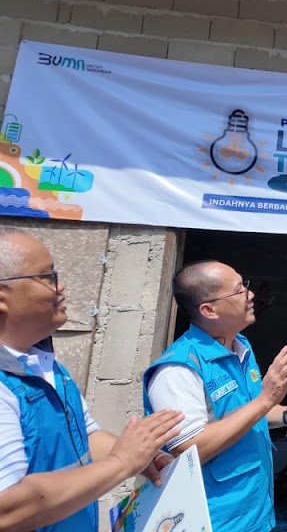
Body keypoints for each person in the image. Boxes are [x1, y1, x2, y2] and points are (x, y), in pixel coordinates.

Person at [0, 228, 184, 532]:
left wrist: (141, 455)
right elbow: (6, 508)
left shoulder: (46, 365)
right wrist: (121, 463)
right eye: (46, 277)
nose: (61, 287)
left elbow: (86, 437)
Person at [143, 260, 287, 532]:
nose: (250, 295)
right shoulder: (177, 369)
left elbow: (246, 411)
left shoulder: (240, 346)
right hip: (214, 521)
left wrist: (286, 414)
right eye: (240, 290)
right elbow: (189, 449)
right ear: (209, 310)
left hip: (256, 514)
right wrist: (266, 400)